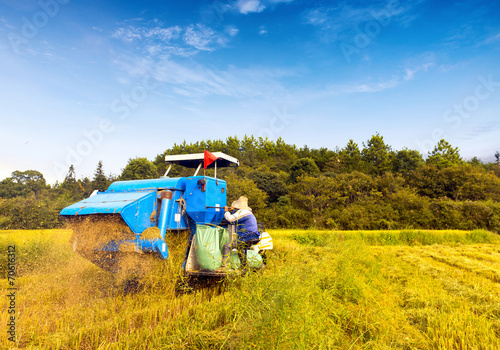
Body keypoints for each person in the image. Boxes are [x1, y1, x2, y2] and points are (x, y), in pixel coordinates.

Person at [222, 196, 260, 268]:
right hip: (253, 236)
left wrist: (226, 211)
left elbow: (230, 220)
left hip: (247, 236)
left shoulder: (243, 212)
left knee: (227, 246)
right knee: (240, 248)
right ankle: (244, 266)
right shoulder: (248, 212)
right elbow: (235, 218)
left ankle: (224, 267)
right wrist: (231, 211)